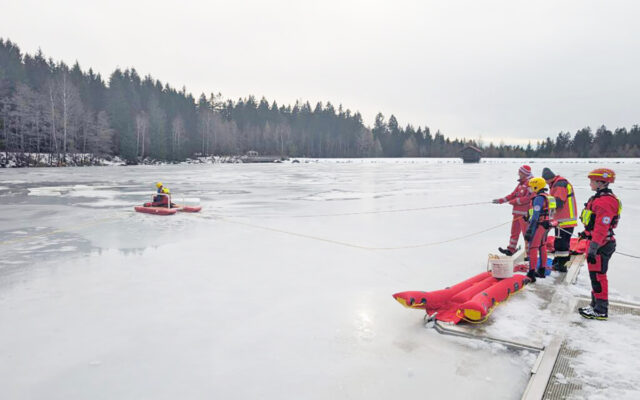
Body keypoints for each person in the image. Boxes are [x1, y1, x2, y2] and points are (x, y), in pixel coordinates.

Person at [577, 168, 621, 320]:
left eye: (592, 181)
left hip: (601, 244)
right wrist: (586, 233)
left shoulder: (605, 202)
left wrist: (594, 247)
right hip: (596, 241)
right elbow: (594, 223)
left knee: (599, 277)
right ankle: (595, 305)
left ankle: (601, 309)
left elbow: (602, 227)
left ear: (601, 183)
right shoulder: (598, 198)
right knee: (594, 276)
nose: (590, 183)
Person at [542, 168, 578, 272]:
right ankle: (558, 261)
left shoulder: (559, 184)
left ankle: (561, 265)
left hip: (564, 219)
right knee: (560, 242)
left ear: (548, 179)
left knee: (562, 243)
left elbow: (558, 202)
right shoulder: (557, 183)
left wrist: (544, 204)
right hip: (563, 219)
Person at [493, 165, 534, 256]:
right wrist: (501, 200)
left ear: (524, 173)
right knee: (514, 233)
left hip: (525, 215)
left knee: (526, 234)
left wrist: (514, 201)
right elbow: (513, 194)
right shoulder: (521, 183)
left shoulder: (530, 183)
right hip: (517, 213)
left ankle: (529, 253)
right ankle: (511, 249)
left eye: (520, 172)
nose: (518, 174)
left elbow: (528, 198)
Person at [524, 177, 556, 282]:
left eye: (531, 187)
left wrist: (529, 230)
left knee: (533, 247)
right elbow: (550, 212)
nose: (530, 189)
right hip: (547, 225)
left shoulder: (538, 198)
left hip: (539, 225)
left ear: (536, 186)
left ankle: (531, 273)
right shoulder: (548, 196)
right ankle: (542, 270)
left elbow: (536, 215)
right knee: (542, 246)